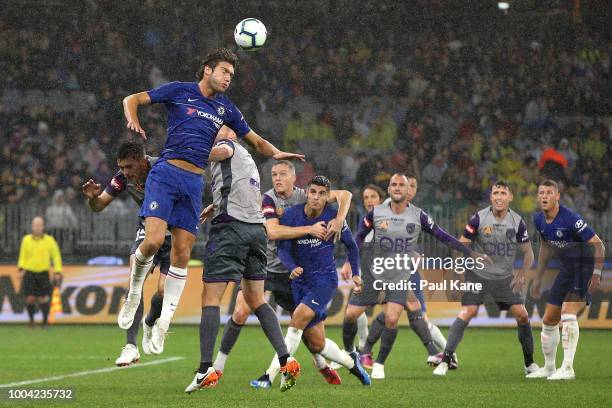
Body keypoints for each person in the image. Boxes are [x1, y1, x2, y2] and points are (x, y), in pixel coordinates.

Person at [118, 47, 303, 354]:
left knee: (181, 254)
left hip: (192, 183)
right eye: (224, 72)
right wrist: (133, 120)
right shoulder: (180, 91)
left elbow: (254, 139)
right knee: (151, 243)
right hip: (165, 174)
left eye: (232, 74)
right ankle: (135, 292)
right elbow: (132, 99)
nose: (228, 78)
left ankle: (163, 323)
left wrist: (276, 152)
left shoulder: (226, 108)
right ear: (207, 70)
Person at [211, 159, 352, 388]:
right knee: (239, 312)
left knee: (310, 334)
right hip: (262, 266)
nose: (277, 178)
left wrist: (339, 218)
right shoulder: (268, 199)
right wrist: (309, 229)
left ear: (294, 178)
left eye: (283, 173)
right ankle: (217, 368)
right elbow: (273, 232)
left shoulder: (306, 195)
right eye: (274, 174)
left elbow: (345, 195)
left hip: (292, 273)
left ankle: (322, 364)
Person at [185, 130, 302, 392]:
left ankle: (205, 369)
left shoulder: (227, 146)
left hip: (231, 230)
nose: (217, 130)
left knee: (210, 297)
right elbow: (241, 191)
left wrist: (187, 151)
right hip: (256, 232)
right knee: (256, 299)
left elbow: (222, 150)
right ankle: (285, 359)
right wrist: (216, 204)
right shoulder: (247, 158)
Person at [342, 173, 486, 380]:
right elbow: (358, 237)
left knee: (392, 318)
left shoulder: (418, 215)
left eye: (402, 184)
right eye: (394, 184)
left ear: (408, 189)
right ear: (389, 189)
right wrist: (349, 261)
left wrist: (470, 252)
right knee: (350, 315)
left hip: (400, 275)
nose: (398, 187)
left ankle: (380, 363)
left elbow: (442, 235)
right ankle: (351, 352)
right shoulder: (376, 213)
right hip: (374, 273)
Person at [433, 181, 539, 376]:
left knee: (522, 314)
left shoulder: (517, 221)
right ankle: (445, 361)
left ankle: (529, 364)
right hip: (478, 275)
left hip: (504, 278)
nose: (499, 196)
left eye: (503, 193)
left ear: (510, 197)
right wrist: (458, 275)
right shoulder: (479, 218)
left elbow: (529, 254)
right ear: (491, 197)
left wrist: (522, 273)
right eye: (495, 193)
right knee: (468, 312)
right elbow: (459, 247)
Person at [276, 175, 371, 390]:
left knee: (297, 320)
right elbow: (283, 249)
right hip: (300, 282)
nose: (316, 197)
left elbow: (352, 247)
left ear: (328, 197)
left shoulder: (333, 217)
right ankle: (352, 364)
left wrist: (356, 273)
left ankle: (272, 375)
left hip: (324, 280)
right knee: (317, 343)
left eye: (322, 194)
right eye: (313, 192)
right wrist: (292, 267)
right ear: (307, 193)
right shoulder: (292, 215)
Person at [81, 141, 170, 367]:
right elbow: (99, 206)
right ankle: (130, 346)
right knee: (134, 280)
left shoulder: (163, 169)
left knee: (163, 290)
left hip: (174, 230)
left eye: (129, 167)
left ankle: (150, 321)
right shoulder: (121, 179)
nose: (124, 173)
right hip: (147, 228)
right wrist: (92, 198)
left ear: (142, 162)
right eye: (121, 167)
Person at [526, 180, 605, 380]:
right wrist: (537, 278)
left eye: (549, 193)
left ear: (557, 196)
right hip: (567, 269)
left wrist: (596, 274)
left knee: (568, 313)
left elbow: (599, 245)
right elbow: (545, 248)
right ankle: (550, 367)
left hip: (585, 267)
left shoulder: (570, 218)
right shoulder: (539, 220)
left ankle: (568, 368)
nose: (544, 196)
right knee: (549, 319)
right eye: (541, 192)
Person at [18, 216, 62, 327]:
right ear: (32, 227)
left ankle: (45, 321)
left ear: (43, 227)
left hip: (43, 273)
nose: (37, 227)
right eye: (35, 225)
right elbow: (23, 256)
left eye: (39, 225)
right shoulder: (26, 240)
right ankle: (31, 321)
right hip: (30, 273)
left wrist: (57, 271)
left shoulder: (49, 240)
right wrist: (21, 269)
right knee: (30, 298)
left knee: (44, 298)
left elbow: (56, 256)